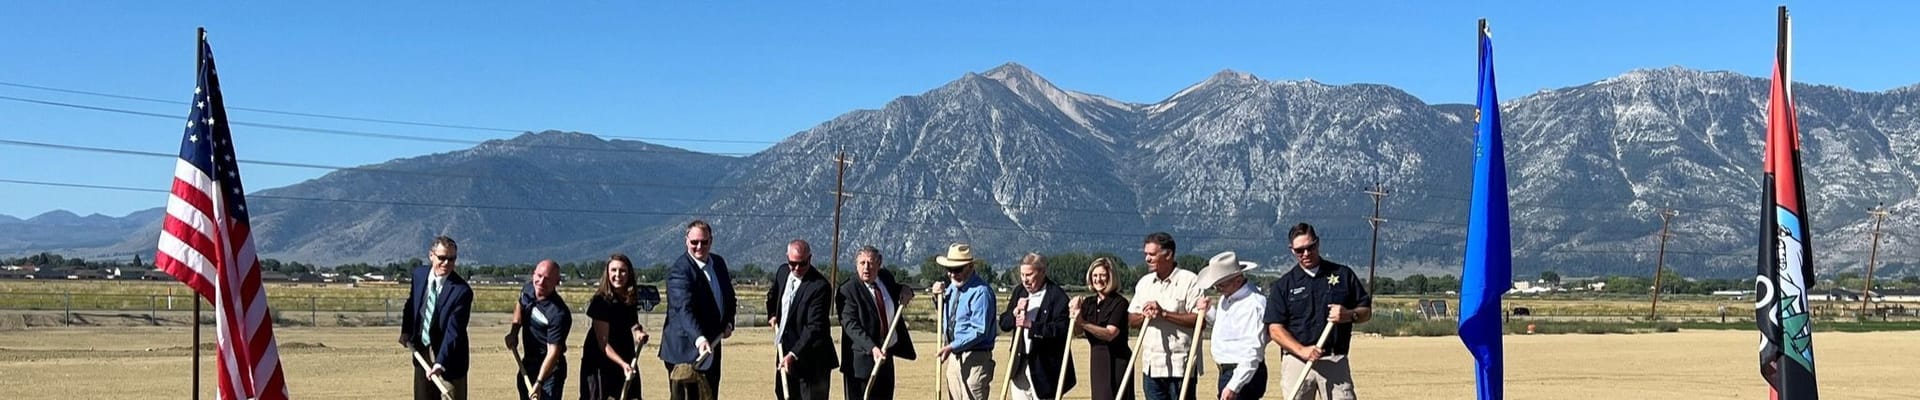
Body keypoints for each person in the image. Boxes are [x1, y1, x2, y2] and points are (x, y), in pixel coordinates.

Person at [1263, 223, 1372, 400]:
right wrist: (1302, 350)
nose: (1306, 253)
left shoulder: (1343, 275)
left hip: (1334, 360)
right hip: (1297, 361)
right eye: (1300, 250)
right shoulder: (1284, 285)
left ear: (1318, 243)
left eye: (1310, 247)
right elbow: (1275, 329)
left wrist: (1348, 315)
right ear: (1292, 250)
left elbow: (1366, 311)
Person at [661, 220, 738, 400]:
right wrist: (699, 338)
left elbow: (729, 297)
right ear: (686, 241)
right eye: (694, 242)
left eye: (704, 242)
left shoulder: (718, 263)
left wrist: (728, 321)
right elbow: (683, 309)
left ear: (711, 240)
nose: (699, 246)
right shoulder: (680, 271)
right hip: (685, 352)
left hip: (712, 346)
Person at [837, 246, 918, 400]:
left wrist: (906, 289)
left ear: (879, 263)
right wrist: (872, 348)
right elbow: (850, 325)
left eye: (871, 263)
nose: (866, 267)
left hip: (886, 358)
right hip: (860, 364)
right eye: (862, 263)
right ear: (856, 265)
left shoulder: (885, 278)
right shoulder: (847, 290)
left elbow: (898, 289)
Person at [1128, 232, 1202, 400]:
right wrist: (1145, 316)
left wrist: (1164, 314)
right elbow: (1131, 319)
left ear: (1168, 254)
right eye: (1146, 254)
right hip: (1151, 367)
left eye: (1152, 254)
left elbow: (1200, 321)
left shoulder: (1189, 280)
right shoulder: (1144, 283)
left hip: (1180, 366)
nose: (1147, 258)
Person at [400, 236, 474, 400]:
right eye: (442, 258)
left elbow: (454, 332)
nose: (447, 263)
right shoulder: (419, 275)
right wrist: (406, 331)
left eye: (452, 259)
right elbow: (411, 304)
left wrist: (440, 363)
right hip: (422, 349)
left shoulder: (462, 291)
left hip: (450, 358)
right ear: (431, 255)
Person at [766, 240, 838, 400]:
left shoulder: (820, 286)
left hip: (813, 361)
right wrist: (772, 314)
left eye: (803, 263)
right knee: (784, 394)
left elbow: (814, 327)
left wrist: (793, 354)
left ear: (810, 258)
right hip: (784, 352)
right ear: (787, 259)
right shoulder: (783, 272)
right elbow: (773, 295)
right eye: (793, 263)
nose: (797, 268)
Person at [997, 253, 1076, 400]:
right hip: (1019, 365)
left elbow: (1061, 330)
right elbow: (1004, 323)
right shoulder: (1019, 292)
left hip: (1045, 369)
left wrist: (1031, 326)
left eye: (1029, 275)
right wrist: (1015, 313)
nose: (1025, 280)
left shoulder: (1056, 296)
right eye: (1022, 275)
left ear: (1042, 272)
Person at [1194, 252, 1267, 400]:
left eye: (1220, 284)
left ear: (1238, 280)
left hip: (1243, 375)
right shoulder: (1226, 298)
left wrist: (1234, 385)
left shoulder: (1253, 304)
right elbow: (1227, 328)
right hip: (1228, 372)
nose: (1217, 289)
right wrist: (1209, 311)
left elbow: (1253, 351)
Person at [930, 243, 997, 400]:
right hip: (954, 357)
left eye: (957, 269)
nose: (952, 274)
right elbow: (947, 316)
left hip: (975, 358)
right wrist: (937, 298)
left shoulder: (981, 292)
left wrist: (952, 346)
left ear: (970, 267)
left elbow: (979, 330)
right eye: (949, 269)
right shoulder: (952, 288)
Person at [579, 253, 651, 400]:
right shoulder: (600, 302)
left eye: (622, 271)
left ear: (629, 273)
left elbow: (632, 322)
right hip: (602, 364)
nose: (618, 275)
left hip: (625, 357)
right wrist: (623, 364)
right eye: (614, 270)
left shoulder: (629, 298)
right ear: (607, 273)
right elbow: (603, 343)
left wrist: (638, 333)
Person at [507, 260, 572, 400]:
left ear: (557, 281)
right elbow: (520, 304)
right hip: (528, 364)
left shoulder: (558, 313)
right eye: (539, 275)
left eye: (547, 279)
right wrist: (514, 332)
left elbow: (553, 353)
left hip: (550, 372)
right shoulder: (528, 289)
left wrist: (539, 382)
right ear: (533, 274)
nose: (541, 282)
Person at [1072, 257, 1133, 400]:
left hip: (1117, 360)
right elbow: (1077, 332)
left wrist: (1083, 323)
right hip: (1098, 359)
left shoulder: (1119, 303)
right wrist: (1075, 314)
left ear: (1111, 277)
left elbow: (1110, 334)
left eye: (1102, 275)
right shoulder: (1089, 303)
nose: (1098, 279)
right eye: (1095, 275)